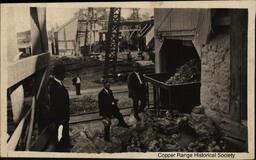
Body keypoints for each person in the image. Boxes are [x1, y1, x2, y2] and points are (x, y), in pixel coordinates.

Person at [49, 62, 71, 152]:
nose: (65, 75)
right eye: (64, 73)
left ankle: (65, 146)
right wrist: (61, 118)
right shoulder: (55, 86)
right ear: (60, 74)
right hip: (60, 118)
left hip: (63, 117)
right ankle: (62, 150)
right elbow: (55, 104)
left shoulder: (58, 83)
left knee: (64, 134)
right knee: (60, 137)